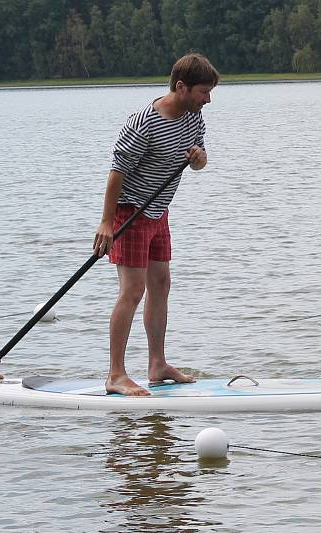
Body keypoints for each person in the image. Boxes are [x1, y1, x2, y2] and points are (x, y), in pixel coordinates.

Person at [93, 53, 219, 396]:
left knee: (161, 284)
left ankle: (157, 364)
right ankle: (115, 375)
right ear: (181, 86)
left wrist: (199, 158)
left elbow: (200, 161)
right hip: (129, 213)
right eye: (203, 92)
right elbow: (116, 172)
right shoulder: (144, 123)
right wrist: (106, 222)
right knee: (133, 291)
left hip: (158, 212)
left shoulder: (194, 118)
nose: (208, 99)